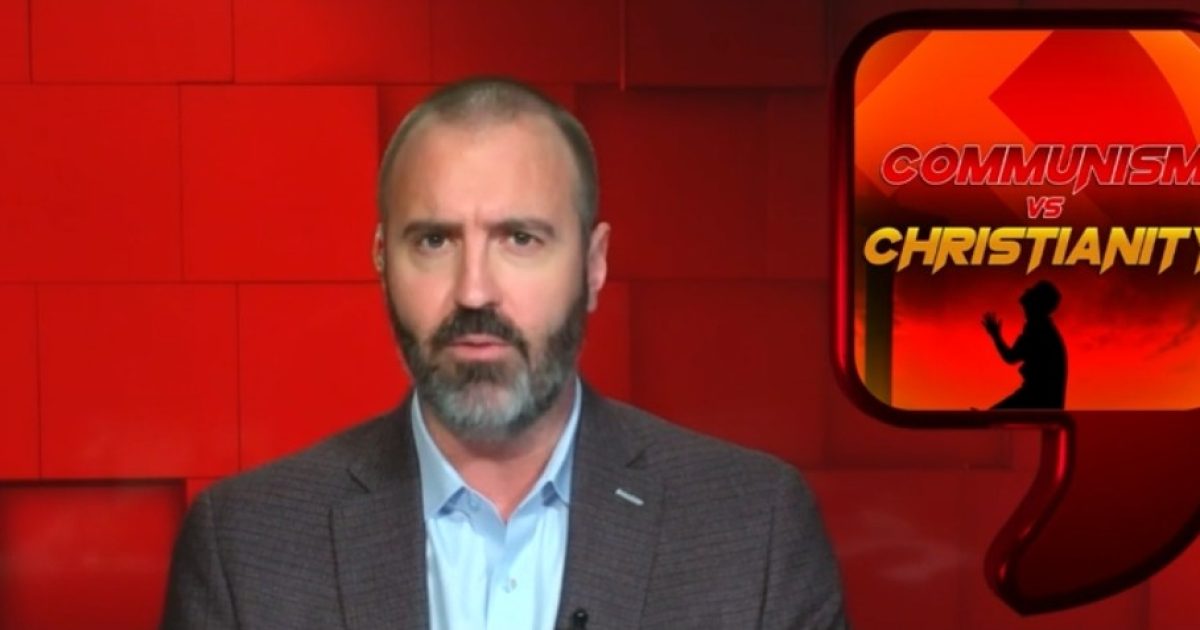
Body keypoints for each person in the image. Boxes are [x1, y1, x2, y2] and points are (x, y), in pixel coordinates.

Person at [161, 77, 847, 630]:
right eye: (434, 241)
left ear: (594, 264)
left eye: (520, 238)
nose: (474, 291)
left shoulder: (753, 530)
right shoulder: (245, 548)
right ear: (382, 259)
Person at [982, 280, 1068, 409]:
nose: (1027, 290)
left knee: (991, 417)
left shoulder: (1038, 329)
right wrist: (995, 335)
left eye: (1032, 291)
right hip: (1040, 398)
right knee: (992, 416)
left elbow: (1010, 357)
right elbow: (1012, 356)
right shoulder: (1041, 327)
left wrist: (995, 335)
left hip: (1038, 399)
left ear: (1037, 303)